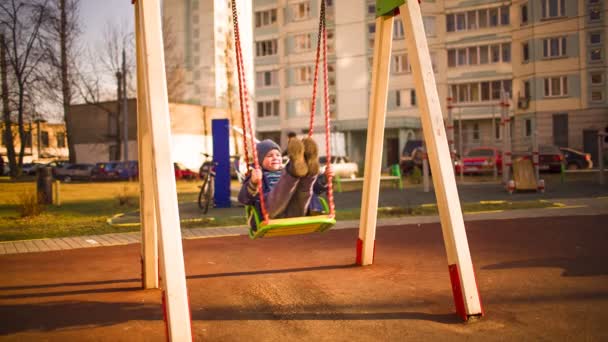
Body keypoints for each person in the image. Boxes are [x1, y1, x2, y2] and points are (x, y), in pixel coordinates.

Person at [238, 137, 329, 228]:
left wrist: (325, 178)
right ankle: (294, 170)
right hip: (270, 212)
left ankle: (310, 169)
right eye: (270, 156)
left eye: (278, 155)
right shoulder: (257, 174)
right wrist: (253, 183)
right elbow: (244, 198)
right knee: (284, 188)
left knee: (305, 187)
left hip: (296, 210)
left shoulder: (287, 171)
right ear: (259, 160)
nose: (275, 158)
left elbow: (315, 190)